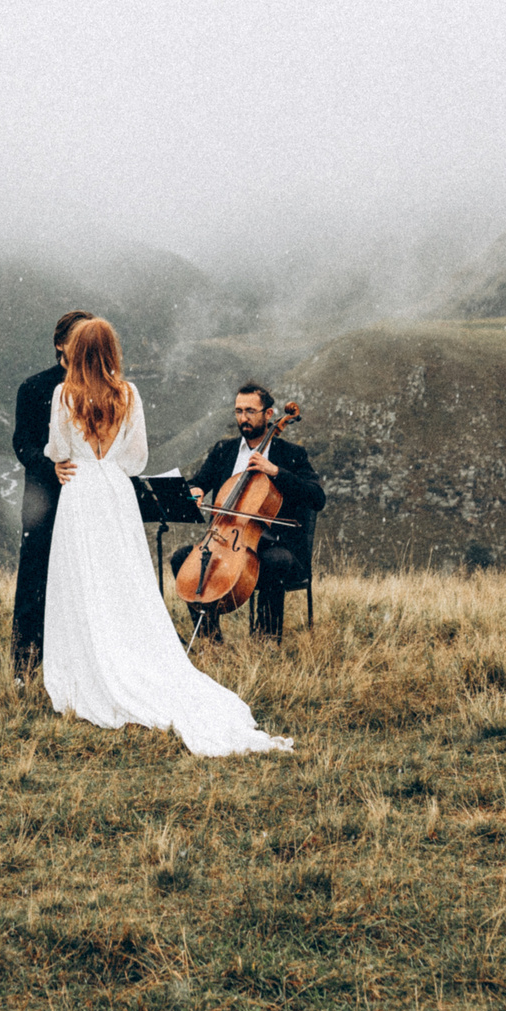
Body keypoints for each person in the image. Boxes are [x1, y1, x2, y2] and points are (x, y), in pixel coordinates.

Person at [38, 318, 292, 756]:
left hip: (79, 491)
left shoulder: (64, 394)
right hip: (116, 491)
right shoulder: (128, 394)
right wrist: (109, 462)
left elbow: (58, 450)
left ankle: (87, 668)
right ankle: (130, 654)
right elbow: (136, 459)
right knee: (122, 580)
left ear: (74, 351)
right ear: (111, 350)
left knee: (81, 580)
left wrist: (64, 458)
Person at [170, 383, 326, 642]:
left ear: (269, 414)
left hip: (276, 544)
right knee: (182, 559)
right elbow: (197, 482)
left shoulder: (291, 454)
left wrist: (275, 471)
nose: (243, 418)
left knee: (274, 561)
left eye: (250, 411)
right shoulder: (224, 451)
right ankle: (210, 639)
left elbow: (317, 497)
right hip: (224, 541)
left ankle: (265, 642)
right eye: (239, 411)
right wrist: (196, 490)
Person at [9, 309, 95, 681]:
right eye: (78, 340)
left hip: (86, 496)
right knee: (35, 576)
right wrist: (50, 465)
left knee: (83, 578)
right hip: (43, 497)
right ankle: (24, 664)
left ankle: (78, 663)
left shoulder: (101, 386)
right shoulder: (34, 388)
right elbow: (22, 443)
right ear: (60, 344)